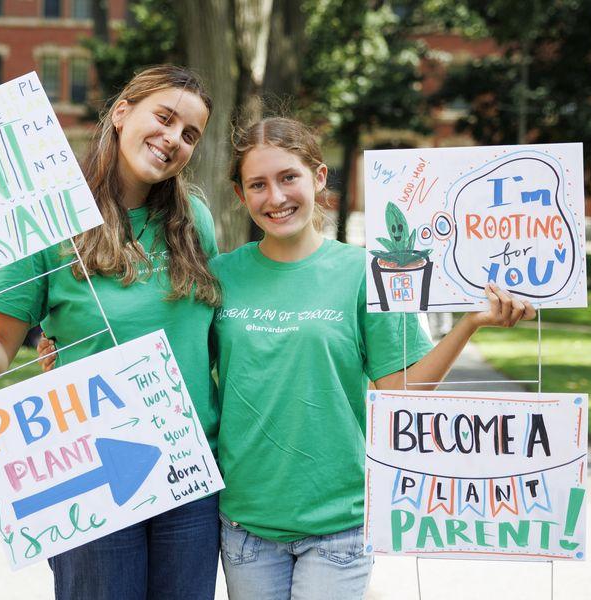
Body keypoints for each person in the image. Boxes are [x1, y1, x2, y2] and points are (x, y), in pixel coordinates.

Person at [209, 117, 535, 600]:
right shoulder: (219, 276)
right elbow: (184, 368)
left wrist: (469, 323)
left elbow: (402, 391)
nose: (275, 197)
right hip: (245, 524)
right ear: (241, 195)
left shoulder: (367, 273)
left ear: (319, 177)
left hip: (338, 526)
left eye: (288, 177)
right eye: (258, 184)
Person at [0, 65, 221, 600]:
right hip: (91, 470)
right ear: (121, 112)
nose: (173, 140)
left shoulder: (195, 221)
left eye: (190, 134)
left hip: (189, 473)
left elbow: (210, 350)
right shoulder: (48, 216)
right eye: (163, 118)